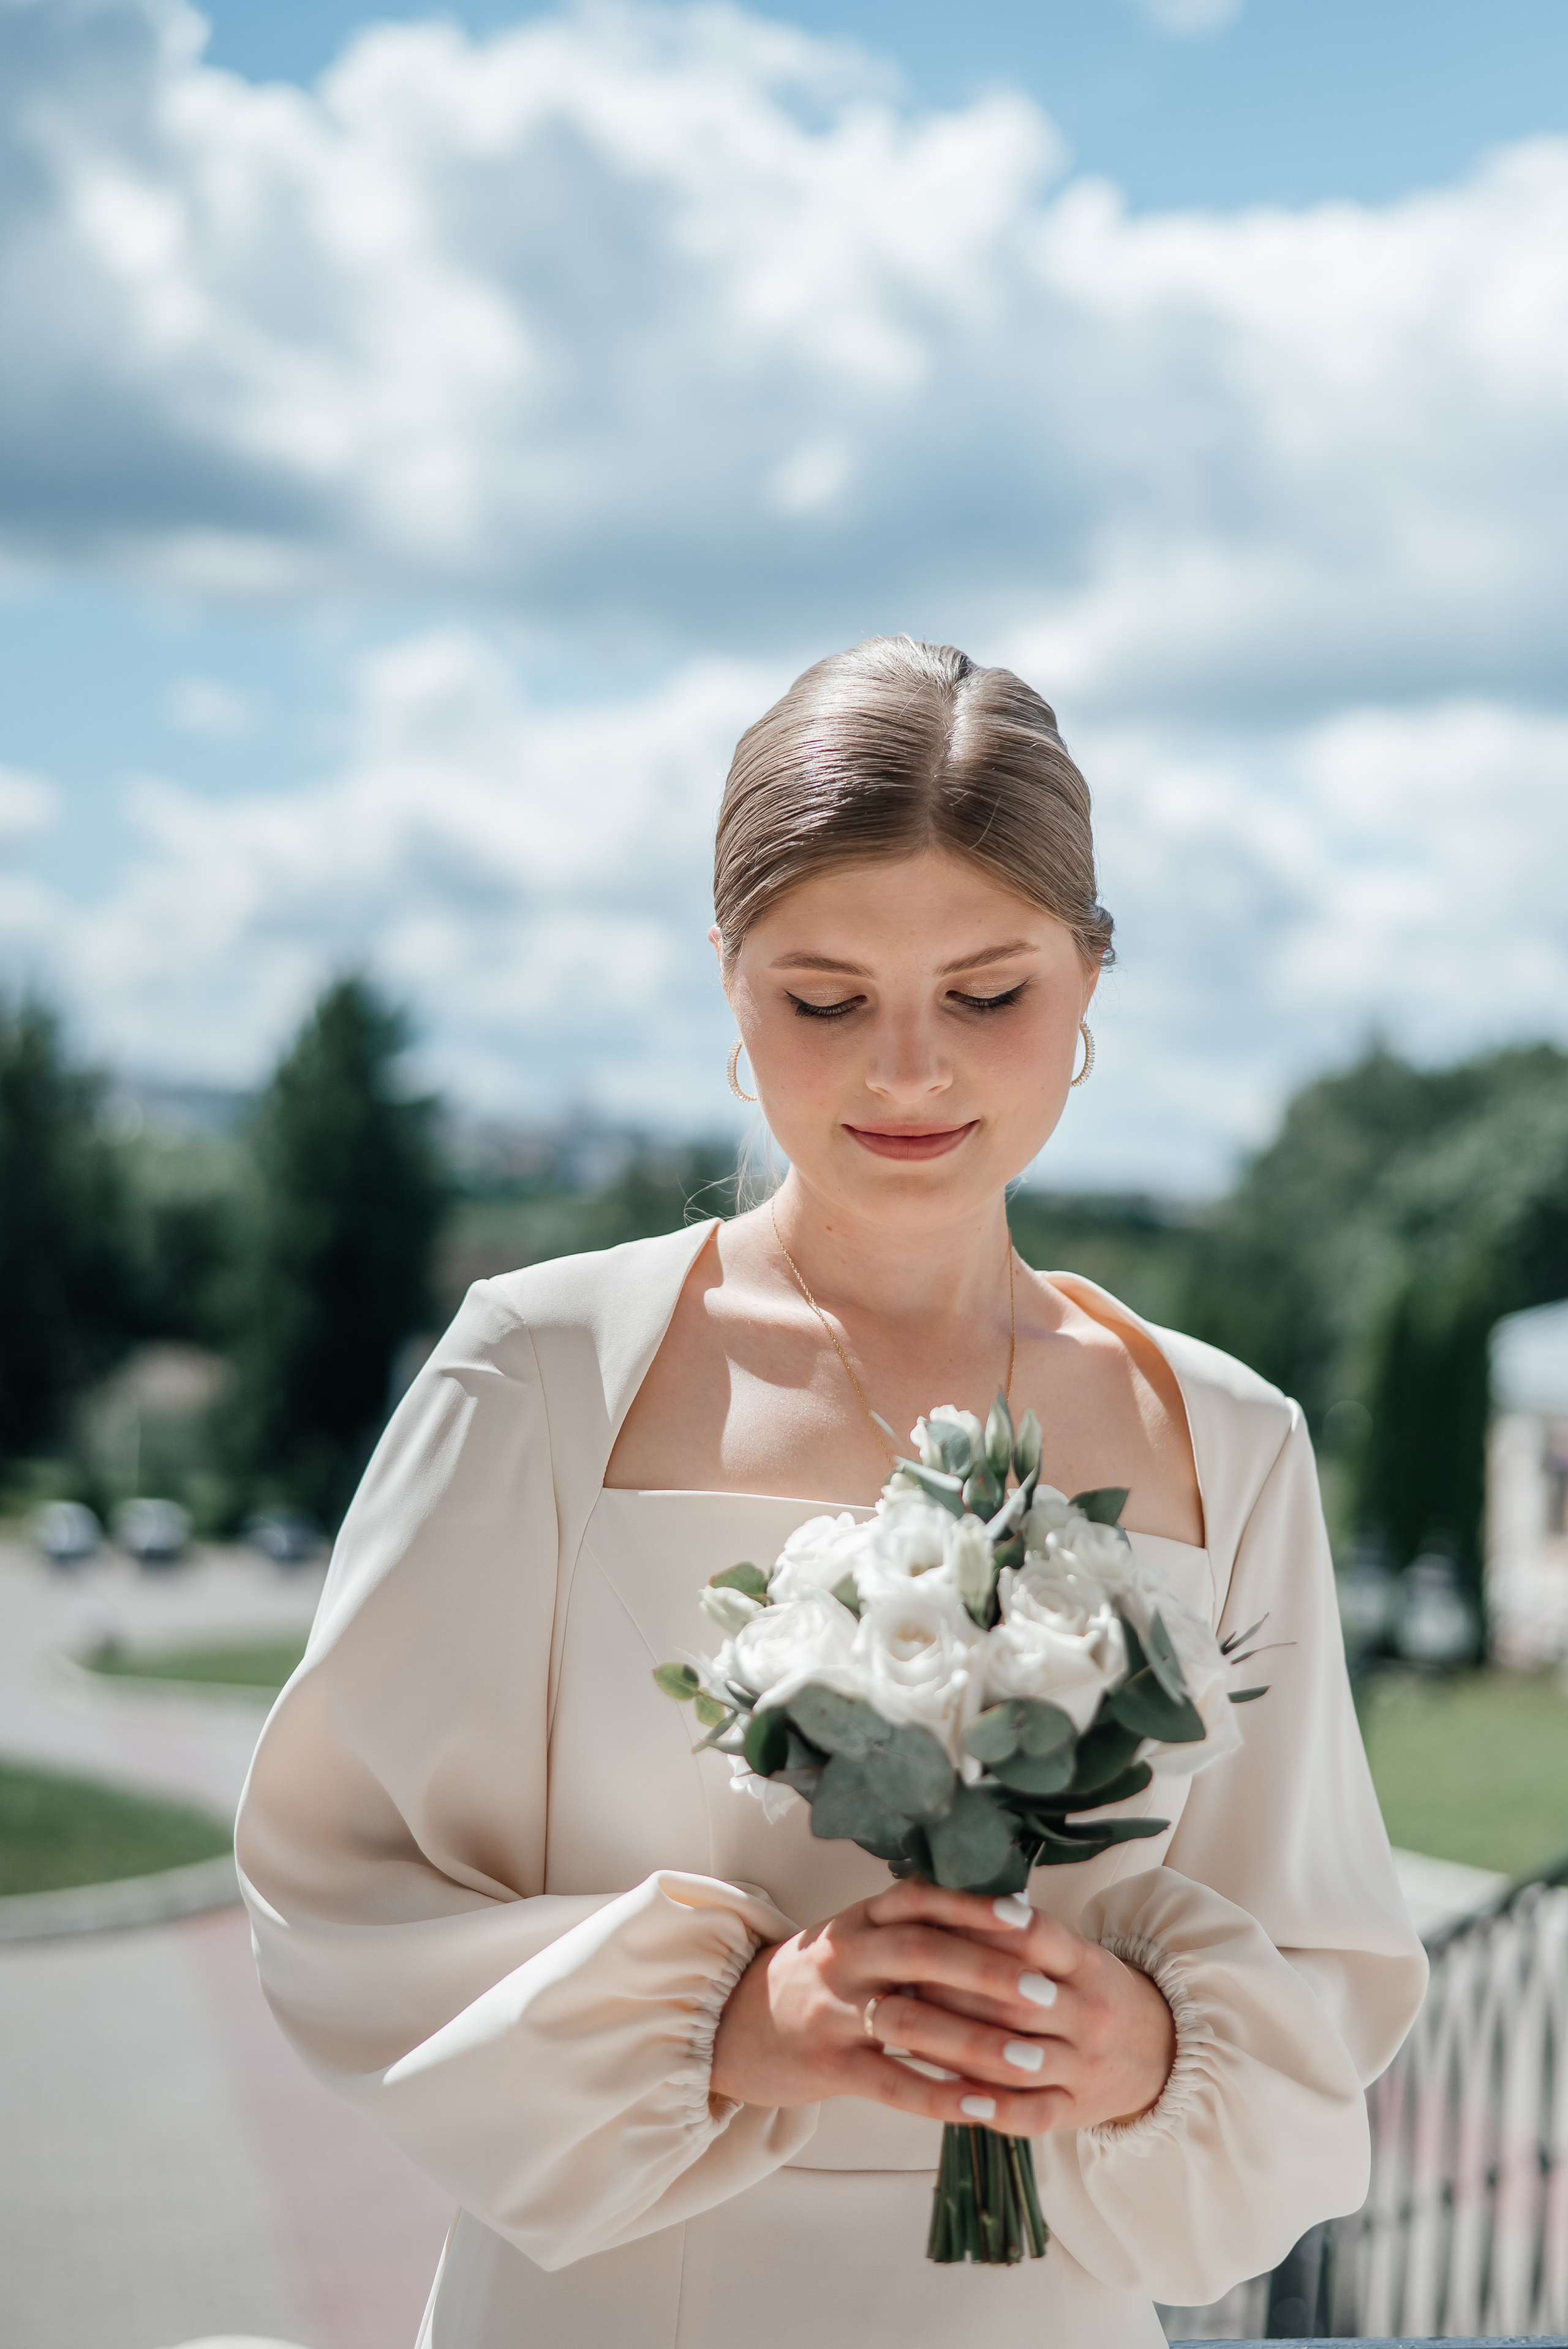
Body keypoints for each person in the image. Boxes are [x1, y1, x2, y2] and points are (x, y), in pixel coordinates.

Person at [236, 637, 1428, 2348]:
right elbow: (332, 1880)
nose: (908, 1070)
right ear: (729, 979)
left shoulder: (1228, 1440)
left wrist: (1151, 2054)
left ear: (1091, 977)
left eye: (988, 995)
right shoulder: (543, 1373)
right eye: (825, 999)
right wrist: (726, 2026)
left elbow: (1324, 1965)